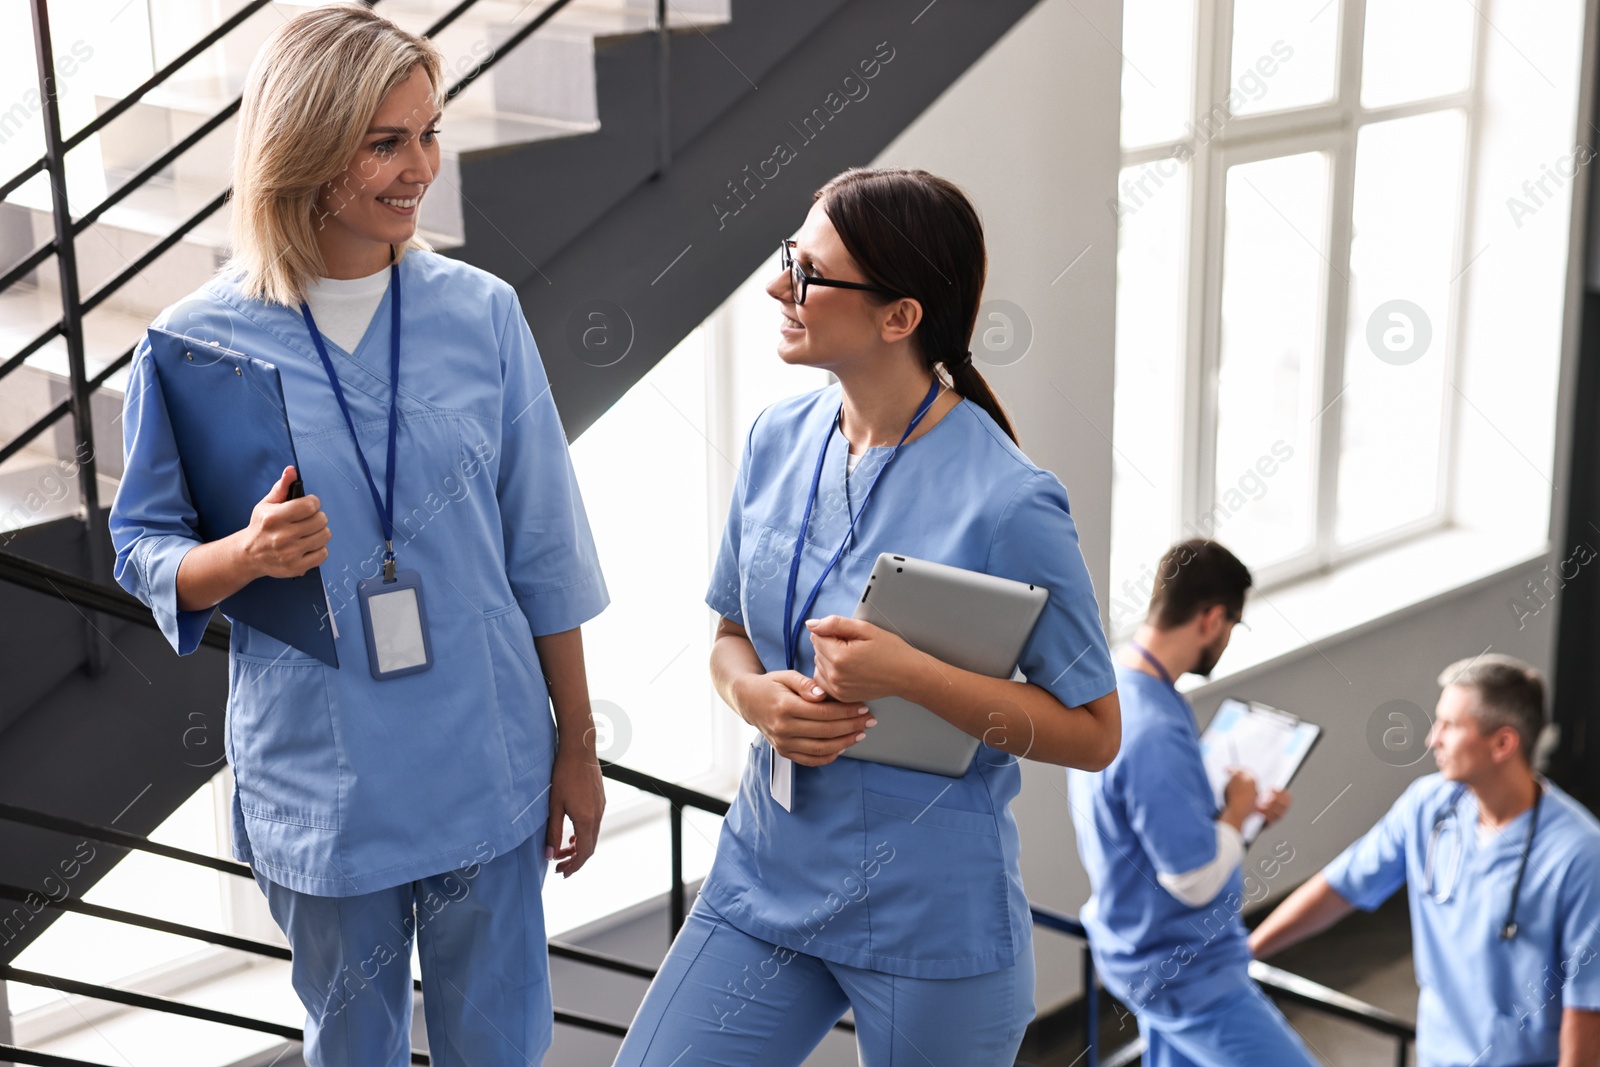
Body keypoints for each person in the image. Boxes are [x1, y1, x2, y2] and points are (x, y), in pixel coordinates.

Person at [108, 7, 609, 1064]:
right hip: (323, 785)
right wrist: (243, 556)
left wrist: (577, 742)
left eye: (429, 133)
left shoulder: (482, 314)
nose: (419, 167)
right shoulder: (192, 343)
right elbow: (144, 546)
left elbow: (545, 547)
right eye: (385, 141)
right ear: (303, 146)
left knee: (502, 1044)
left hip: (488, 757)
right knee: (352, 1046)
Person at [612, 167, 1121, 1066]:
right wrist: (754, 701)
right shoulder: (779, 436)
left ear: (901, 317)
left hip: (929, 915)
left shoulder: (1011, 502)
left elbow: (1092, 732)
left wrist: (912, 675)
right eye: (787, 259)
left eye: (809, 274)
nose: (779, 287)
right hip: (765, 876)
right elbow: (730, 636)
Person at [1250, 654, 1600, 1067]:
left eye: (1450, 726)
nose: (1432, 739)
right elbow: (1340, 887)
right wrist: (1247, 950)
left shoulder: (1579, 855)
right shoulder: (1428, 805)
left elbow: (1588, 1007)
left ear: (1503, 743)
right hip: (1438, 1056)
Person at [1068, 539, 1317, 1067]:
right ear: (1213, 619)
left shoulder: (1115, 687)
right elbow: (1193, 878)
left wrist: (1236, 814)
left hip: (1134, 945)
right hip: (1185, 971)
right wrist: (1231, 815)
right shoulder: (1156, 729)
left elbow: (1148, 821)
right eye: (1233, 627)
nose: (1227, 640)